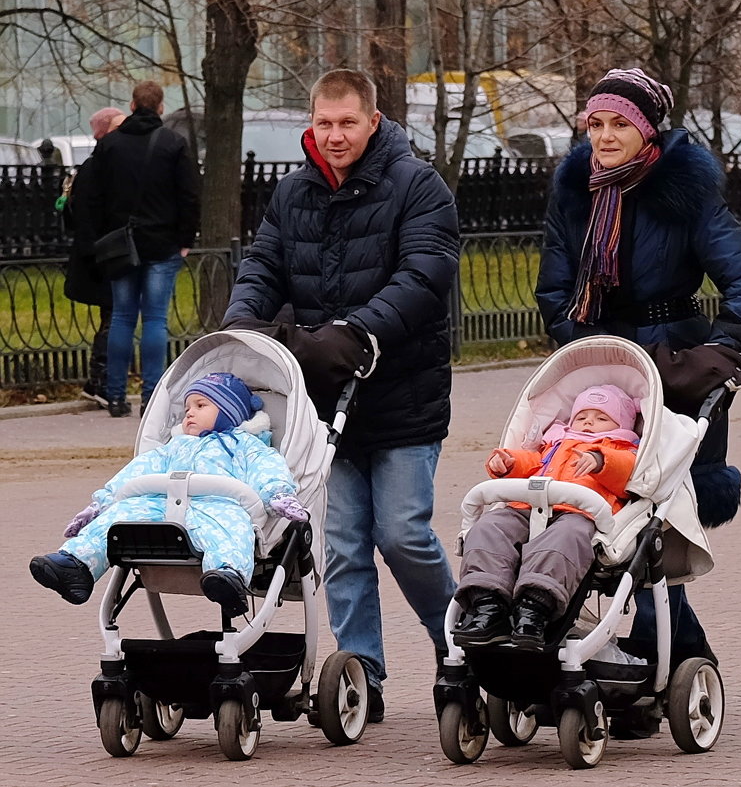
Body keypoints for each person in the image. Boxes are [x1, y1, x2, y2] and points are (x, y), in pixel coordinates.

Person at [536, 67, 741, 735]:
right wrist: (580, 349)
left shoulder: (685, 192)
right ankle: (656, 662)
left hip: (673, 366)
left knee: (650, 524)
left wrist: (718, 352)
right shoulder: (575, 192)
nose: (605, 136)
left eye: (620, 125)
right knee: (596, 516)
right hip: (599, 368)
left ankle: (663, 660)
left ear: (647, 133)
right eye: (596, 123)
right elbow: (554, 284)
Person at [222, 69, 460, 722]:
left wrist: (359, 330)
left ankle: (461, 643)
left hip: (402, 393)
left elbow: (424, 273)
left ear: (373, 121)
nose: (333, 136)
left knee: (403, 532)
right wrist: (240, 328)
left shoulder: (417, 187)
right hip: (323, 400)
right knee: (344, 544)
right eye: (323, 123)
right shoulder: (292, 192)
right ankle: (361, 674)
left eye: (346, 123)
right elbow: (263, 266)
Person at [29, 373, 309, 617]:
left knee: (232, 528)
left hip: (216, 504)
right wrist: (102, 504)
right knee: (119, 517)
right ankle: (76, 565)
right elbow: (138, 470)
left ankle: (227, 576)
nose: (189, 413)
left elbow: (267, 469)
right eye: (187, 407)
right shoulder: (175, 446)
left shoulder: (246, 445)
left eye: (201, 406)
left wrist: (277, 494)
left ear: (230, 412)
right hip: (160, 505)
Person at [453, 384, 639, 652]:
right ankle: (486, 604)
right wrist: (507, 463)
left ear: (621, 424)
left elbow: (626, 474)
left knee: (565, 539)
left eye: (601, 418)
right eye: (582, 416)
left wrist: (601, 460)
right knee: (489, 527)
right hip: (526, 506)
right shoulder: (554, 443)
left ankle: (534, 607)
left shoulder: (622, 450)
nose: (589, 423)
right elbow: (531, 462)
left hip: (579, 514)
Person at [89, 80, 201, 418]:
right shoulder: (173, 143)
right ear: (161, 107)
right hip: (163, 243)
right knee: (155, 319)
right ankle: (152, 395)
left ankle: (116, 395)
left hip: (121, 245)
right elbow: (189, 195)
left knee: (122, 317)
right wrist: (185, 240)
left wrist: (102, 238)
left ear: (133, 105)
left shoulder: (109, 145)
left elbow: (95, 196)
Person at [63, 107, 126, 408]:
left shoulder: (94, 166)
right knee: (114, 316)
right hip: (104, 256)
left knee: (112, 316)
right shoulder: (99, 168)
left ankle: (100, 380)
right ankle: (101, 380)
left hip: (99, 254)